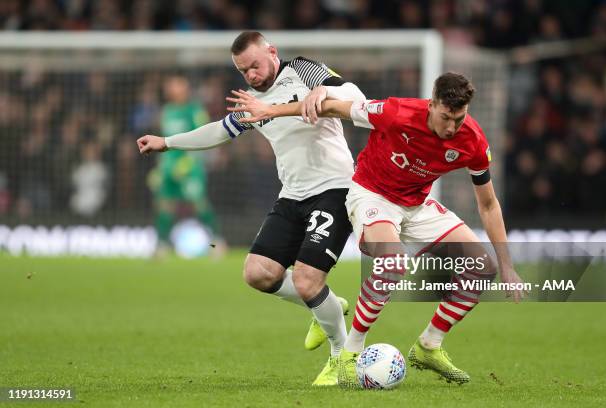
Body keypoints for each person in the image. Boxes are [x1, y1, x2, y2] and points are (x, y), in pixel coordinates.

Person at [226, 72, 527, 387]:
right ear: (432, 105)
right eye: (446, 117)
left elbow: (489, 205)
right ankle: (350, 353)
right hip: (372, 195)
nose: (452, 127)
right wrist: (270, 111)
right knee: (393, 263)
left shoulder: (473, 140)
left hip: (416, 205)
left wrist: (507, 265)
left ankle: (429, 346)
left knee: (483, 266)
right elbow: (333, 109)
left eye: (459, 118)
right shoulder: (396, 112)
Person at [137, 31, 367, 386]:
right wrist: (166, 143)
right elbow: (218, 131)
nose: (252, 75)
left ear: (272, 52)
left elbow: (356, 96)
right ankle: (328, 304)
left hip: (334, 189)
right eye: (243, 71)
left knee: (307, 280)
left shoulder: (303, 70)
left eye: (255, 65)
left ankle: (341, 355)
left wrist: (326, 91)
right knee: (258, 273)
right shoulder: (251, 101)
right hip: (292, 194)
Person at [149, 75, 225, 256]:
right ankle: (161, 246)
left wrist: (187, 163)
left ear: (185, 88)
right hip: (169, 167)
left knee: (199, 204)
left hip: (190, 168)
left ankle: (218, 242)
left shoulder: (195, 110)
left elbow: (204, 137)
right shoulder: (167, 111)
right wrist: (159, 168)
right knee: (165, 205)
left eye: (176, 85)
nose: (172, 89)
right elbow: (162, 141)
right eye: (170, 86)